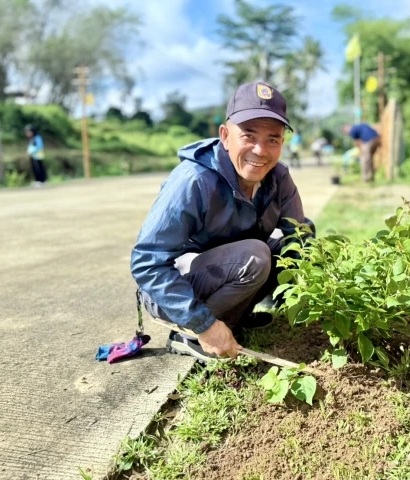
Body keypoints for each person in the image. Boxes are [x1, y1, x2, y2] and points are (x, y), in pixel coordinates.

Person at [131, 82, 312, 363]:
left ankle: (234, 317)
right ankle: (191, 334)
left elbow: (299, 236)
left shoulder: (278, 177)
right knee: (256, 255)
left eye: (272, 140)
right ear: (225, 136)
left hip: (224, 271)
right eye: (248, 136)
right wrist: (203, 323)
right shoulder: (194, 180)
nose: (260, 150)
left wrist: (312, 298)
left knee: (289, 246)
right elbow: (147, 262)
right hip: (175, 292)